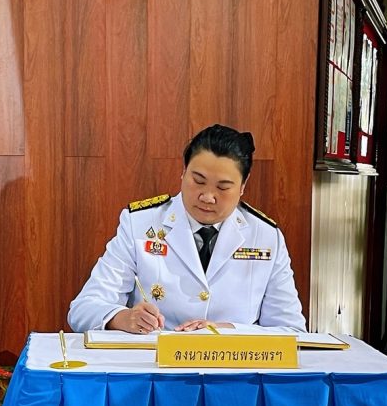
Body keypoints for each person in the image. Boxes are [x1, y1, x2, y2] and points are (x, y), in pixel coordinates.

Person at [68, 124, 307, 334]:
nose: (207, 197)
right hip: (155, 365)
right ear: (183, 173)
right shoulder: (140, 224)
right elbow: (83, 309)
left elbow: (292, 330)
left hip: (233, 368)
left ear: (243, 186)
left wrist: (227, 331)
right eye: (198, 181)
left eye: (223, 187)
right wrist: (122, 318)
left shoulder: (265, 236)